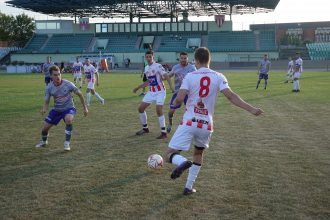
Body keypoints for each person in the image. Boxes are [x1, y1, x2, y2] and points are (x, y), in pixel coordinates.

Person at [165, 47, 263, 195]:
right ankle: (188, 187)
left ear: (196, 60)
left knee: (169, 154)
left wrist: (175, 104)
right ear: (209, 60)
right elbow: (231, 96)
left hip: (190, 121)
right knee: (198, 153)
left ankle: (182, 162)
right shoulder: (219, 76)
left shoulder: (190, 76)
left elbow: (179, 98)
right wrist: (251, 109)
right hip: (206, 124)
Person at [35, 65, 88, 151]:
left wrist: (85, 108)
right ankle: (44, 142)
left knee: (69, 119)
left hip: (69, 108)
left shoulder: (68, 84)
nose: (58, 76)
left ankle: (67, 143)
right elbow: (46, 101)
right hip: (57, 110)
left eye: (59, 74)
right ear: (51, 76)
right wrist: (44, 108)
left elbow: (80, 94)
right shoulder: (49, 87)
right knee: (45, 128)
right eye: (55, 75)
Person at [133, 50, 175, 139]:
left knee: (158, 109)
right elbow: (149, 81)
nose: (148, 58)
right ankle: (145, 128)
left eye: (150, 57)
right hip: (151, 92)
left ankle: (164, 133)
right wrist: (138, 87)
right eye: (147, 57)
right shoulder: (146, 68)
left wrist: (171, 86)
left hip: (160, 92)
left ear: (153, 57)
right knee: (140, 108)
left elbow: (166, 76)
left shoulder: (158, 66)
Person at [166, 52, 196, 133]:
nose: (183, 60)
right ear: (179, 58)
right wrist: (170, 86)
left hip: (188, 93)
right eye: (182, 58)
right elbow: (168, 76)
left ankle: (192, 127)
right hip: (178, 92)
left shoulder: (192, 68)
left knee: (191, 111)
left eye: (185, 58)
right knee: (171, 111)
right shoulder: (176, 67)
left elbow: (197, 78)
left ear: (187, 59)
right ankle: (170, 124)